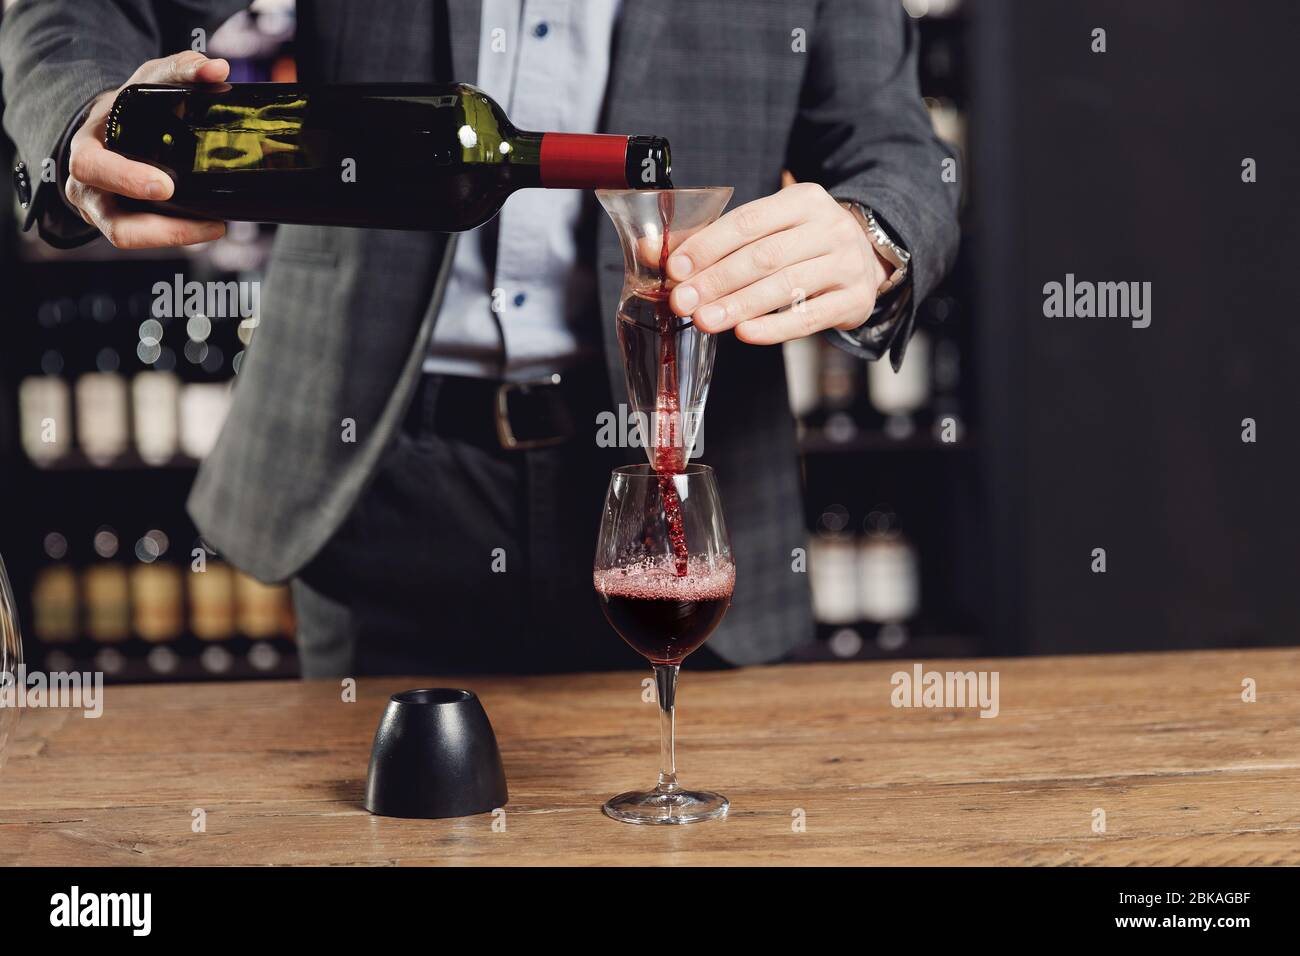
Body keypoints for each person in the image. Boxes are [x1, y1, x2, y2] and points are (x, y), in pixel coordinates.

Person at [1, 0, 959, 675]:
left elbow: (900, 154)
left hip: (686, 491)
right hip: (382, 473)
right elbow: (86, 7)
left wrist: (873, 236)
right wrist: (87, 114)